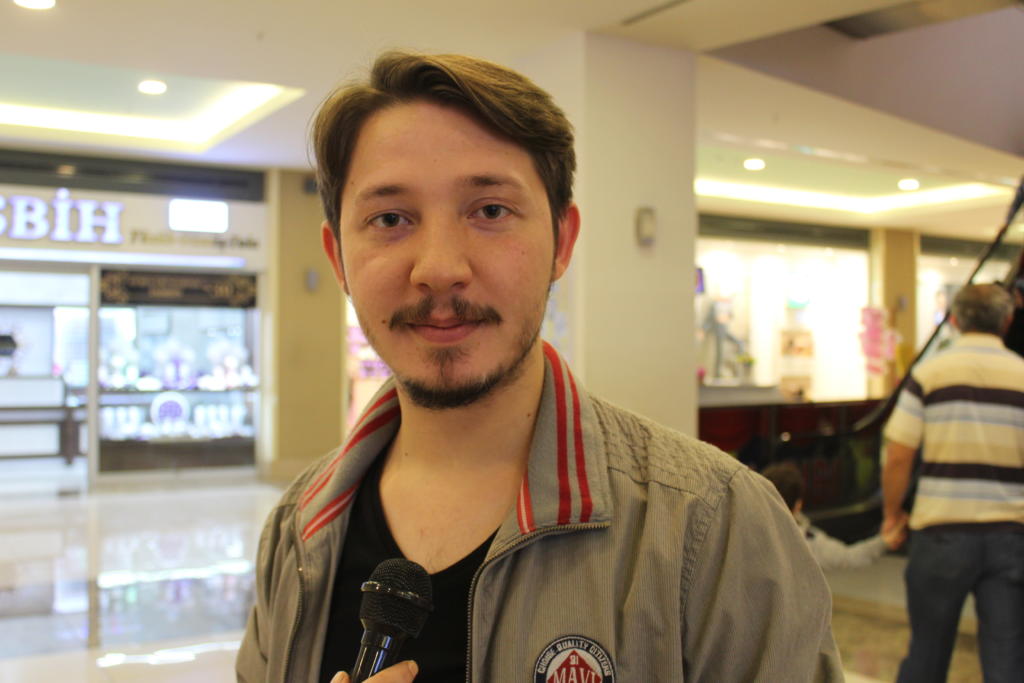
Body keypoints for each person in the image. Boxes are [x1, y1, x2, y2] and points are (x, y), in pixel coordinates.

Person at [236, 51, 842, 683]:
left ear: (562, 240)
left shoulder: (714, 525)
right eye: (390, 219)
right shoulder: (298, 529)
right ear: (338, 257)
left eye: (490, 211)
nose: (439, 267)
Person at [882, 283, 1024, 682]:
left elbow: (898, 455)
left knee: (927, 655)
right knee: (1008, 660)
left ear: (956, 320)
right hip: (1011, 536)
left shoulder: (929, 373)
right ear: (1007, 321)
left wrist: (892, 514)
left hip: (940, 534)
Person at [761, 462, 905, 570]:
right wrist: (884, 542)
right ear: (798, 505)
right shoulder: (807, 541)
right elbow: (849, 557)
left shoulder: (752, 534)